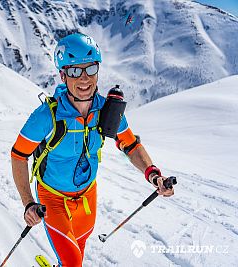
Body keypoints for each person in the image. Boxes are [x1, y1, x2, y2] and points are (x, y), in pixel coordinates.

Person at [10, 33, 174, 267]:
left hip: (87, 196)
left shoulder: (108, 111)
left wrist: (154, 175)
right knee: (72, 262)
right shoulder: (47, 116)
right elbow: (18, 156)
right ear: (63, 75)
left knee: (77, 252)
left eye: (90, 69)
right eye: (75, 71)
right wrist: (28, 202)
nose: (84, 78)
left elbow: (130, 145)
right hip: (52, 199)